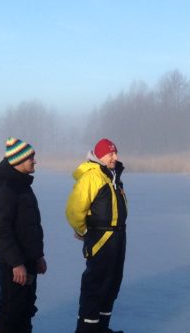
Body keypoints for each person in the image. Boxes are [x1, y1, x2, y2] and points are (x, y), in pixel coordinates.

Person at [66, 138, 127, 333]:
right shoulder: (92, 177)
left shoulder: (112, 176)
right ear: (100, 156)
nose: (115, 157)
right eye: (111, 154)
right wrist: (84, 232)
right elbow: (74, 210)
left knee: (112, 285)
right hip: (101, 239)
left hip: (118, 238)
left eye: (115, 153)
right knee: (96, 286)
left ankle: (101, 328)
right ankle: (86, 330)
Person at [0, 137, 47, 333]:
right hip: (13, 265)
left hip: (27, 260)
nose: (35, 161)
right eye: (31, 157)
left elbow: (30, 226)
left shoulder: (22, 186)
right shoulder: (5, 189)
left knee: (26, 308)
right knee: (10, 312)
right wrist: (16, 263)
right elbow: (1, 231)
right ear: (18, 160)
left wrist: (38, 255)